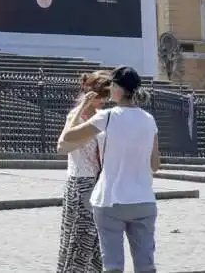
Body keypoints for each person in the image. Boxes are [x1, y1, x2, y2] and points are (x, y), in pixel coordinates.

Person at [59, 66, 161, 273]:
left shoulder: (107, 117)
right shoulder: (149, 120)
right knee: (146, 266)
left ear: (117, 89)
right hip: (143, 200)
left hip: (110, 201)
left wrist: (80, 108)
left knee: (112, 266)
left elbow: (68, 137)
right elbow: (155, 165)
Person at [55, 70, 112, 273]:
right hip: (80, 182)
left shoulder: (99, 117)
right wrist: (81, 108)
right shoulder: (76, 117)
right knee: (79, 234)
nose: (104, 102)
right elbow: (62, 145)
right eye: (102, 97)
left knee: (93, 236)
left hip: (97, 181)